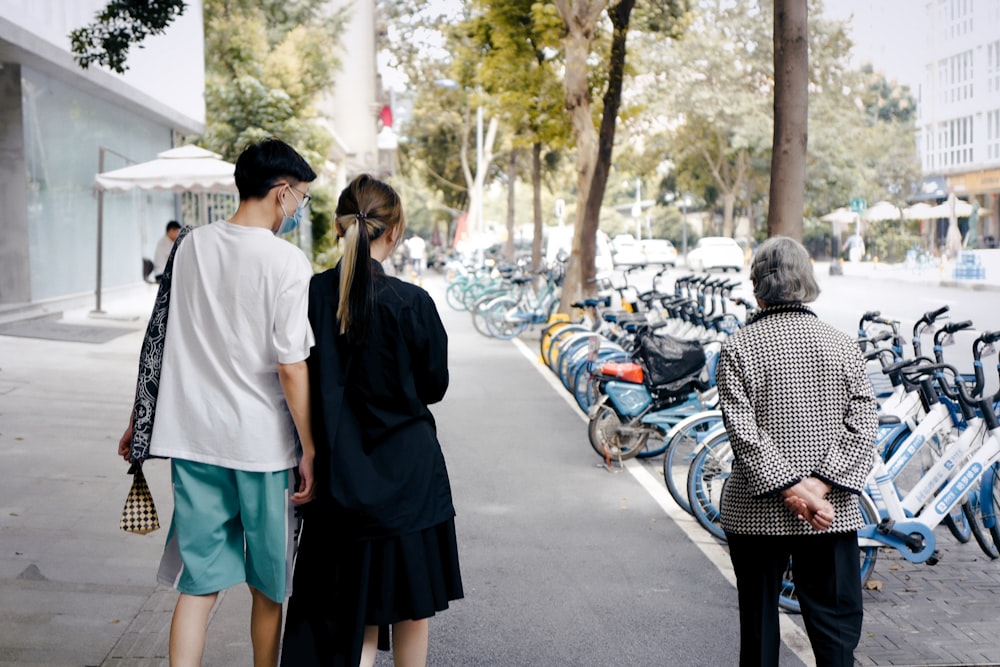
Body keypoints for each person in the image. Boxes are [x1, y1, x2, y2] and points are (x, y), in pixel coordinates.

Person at [118, 138, 318, 667]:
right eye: (300, 198)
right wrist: (311, 447)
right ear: (281, 192)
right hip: (263, 449)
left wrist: (139, 418)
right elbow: (292, 365)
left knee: (199, 585)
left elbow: (158, 336)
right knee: (270, 587)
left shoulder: (190, 246)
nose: (298, 209)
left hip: (193, 440)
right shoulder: (287, 263)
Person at [281, 174, 463, 667]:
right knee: (409, 609)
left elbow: (290, 374)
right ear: (395, 230)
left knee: (348, 613)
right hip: (409, 481)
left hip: (338, 481)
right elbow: (434, 387)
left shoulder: (311, 294)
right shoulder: (412, 302)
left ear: (341, 228)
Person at [716, 236, 878, 667]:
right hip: (831, 512)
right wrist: (817, 490)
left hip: (755, 511)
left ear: (756, 286)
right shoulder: (843, 344)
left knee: (759, 629)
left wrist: (793, 491)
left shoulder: (738, 347)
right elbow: (863, 424)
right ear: (808, 281)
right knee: (836, 629)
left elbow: (743, 434)